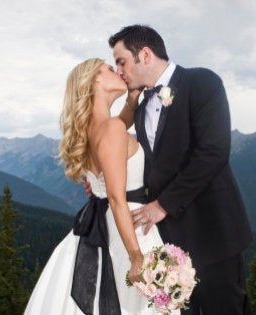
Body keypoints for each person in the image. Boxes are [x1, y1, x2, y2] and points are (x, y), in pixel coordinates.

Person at [109, 24, 253, 314]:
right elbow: (148, 162)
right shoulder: (139, 105)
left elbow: (213, 152)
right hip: (170, 245)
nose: (119, 71)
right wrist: (100, 177)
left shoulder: (203, 82)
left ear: (145, 55)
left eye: (121, 61)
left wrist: (163, 204)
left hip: (214, 235)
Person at [24, 58, 177, 314]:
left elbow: (116, 132)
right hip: (131, 226)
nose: (117, 71)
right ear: (95, 80)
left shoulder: (89, 132)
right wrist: (136, 256)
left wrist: (131, 102)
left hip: (99, 228)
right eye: (109, 68)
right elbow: (116, 198)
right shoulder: (112, 129)